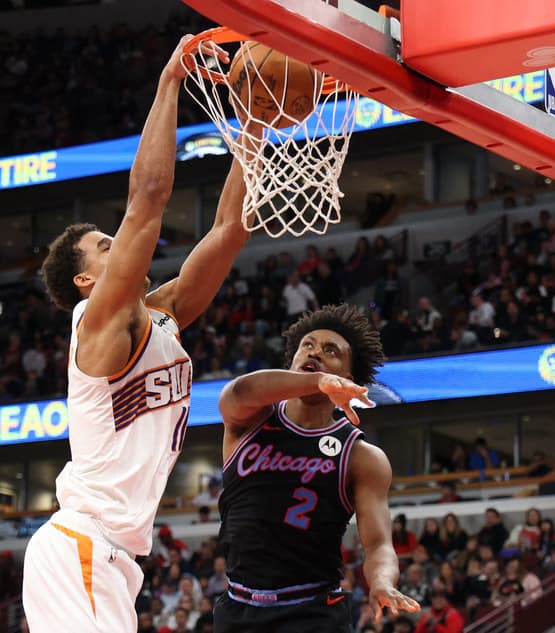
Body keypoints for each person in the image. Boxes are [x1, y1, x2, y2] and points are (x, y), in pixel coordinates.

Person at [23, 36, 252, 632]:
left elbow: (229, 230)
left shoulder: (161, 316)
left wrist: (257, 127)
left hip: (116, 558)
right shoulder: (94, 322)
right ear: (83, 279)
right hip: (81, 543)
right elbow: (148, 200)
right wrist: (171, 80)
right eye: (105, 246)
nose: (118, 246)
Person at [214, 304, 419, 631]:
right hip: (238, 607)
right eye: (307, 346)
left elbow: (379, 544)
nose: (315, 352)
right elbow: (239, 390)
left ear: (347, 379)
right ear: (292, 361)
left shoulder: (362, 456)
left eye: (330, 351)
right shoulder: (250, 417)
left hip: (313, 611)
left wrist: (381, 582)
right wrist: (319, 380)